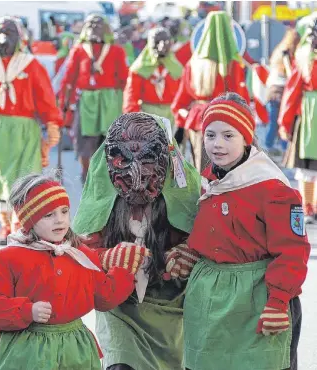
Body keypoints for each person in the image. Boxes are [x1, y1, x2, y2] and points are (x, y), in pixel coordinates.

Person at [184, 92, 311, 370]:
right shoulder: (211, 182)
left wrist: (278, 301)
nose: (217, 144)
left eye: (229, 136)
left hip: (259, 300)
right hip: (212, 303)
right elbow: (208, 235)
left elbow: (293, 251)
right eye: (210, 135)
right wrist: (188, 255)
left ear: (246, 138)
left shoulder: (272, 188)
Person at [0, 173, 150, 370]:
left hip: (73, 350)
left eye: (64, 211)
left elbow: (104, 296)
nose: (59, 220)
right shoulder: (6, 260)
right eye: (49, 215)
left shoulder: (80, 255)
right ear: (29, 220)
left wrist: (123, 271)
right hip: (24, 350)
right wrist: (27, 311)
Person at [72, 112, 202, 370]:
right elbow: (75, 252)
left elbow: (212, 241)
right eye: (125, 162)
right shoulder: (103, 193)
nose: (138, 175)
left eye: (148, 161)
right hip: (121, 305)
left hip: (172, 306)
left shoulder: (183, 190)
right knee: (122, 363)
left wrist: (190, 253)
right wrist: (105, 258)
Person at [0, 16, 63, 244]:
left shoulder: (31, 65)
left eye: (8, 33)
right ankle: (4, 227)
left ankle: (19, 224)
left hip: (24, 132)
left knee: (24, 178)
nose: (2, 39)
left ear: (18, 39)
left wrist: (52, 123)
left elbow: (45, 98)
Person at [171, 11, 249, 172]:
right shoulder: (233, 64)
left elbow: (180, 100)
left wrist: (181, 122)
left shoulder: (193, 63)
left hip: (198, 120)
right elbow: (240, 97)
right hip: (228, 119)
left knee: (200, 168)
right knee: (228, 170)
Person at [59, 14, 128, 183]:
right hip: (86, 103)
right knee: (85, 142)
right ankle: (86, 174)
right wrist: (64, 103)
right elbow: (69, 79)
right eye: (90, 24)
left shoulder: (116, 50)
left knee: (109, 141)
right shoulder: (79, 50)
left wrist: (119, 101)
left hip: (109, 102)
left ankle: (108, 176)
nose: (93, 28)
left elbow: (124, 79)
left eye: (98, 25)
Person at [278, 17, 317, 224]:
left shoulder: (302, 56)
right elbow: (292, 90)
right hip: (310, 115)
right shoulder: (303, 57)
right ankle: (308, 206)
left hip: (310, 110)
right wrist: (285, 122)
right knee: (308, 165)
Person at [123, 27, 182, 128]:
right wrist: (134, 120)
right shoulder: (139, 68)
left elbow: (183, 95)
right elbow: (131, 97)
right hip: (147, 116)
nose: (162, 45)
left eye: (166, 41)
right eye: (157, 41)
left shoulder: (177, 68)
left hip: (172, 116)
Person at [265, 28, 300, 157]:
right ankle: (276, 148)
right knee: (281, 123)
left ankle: (272, 147)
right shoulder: (286, 55)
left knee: (275, 123)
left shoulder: (278, 53)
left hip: (272, 93)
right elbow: (291, 77)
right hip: (279, 93)